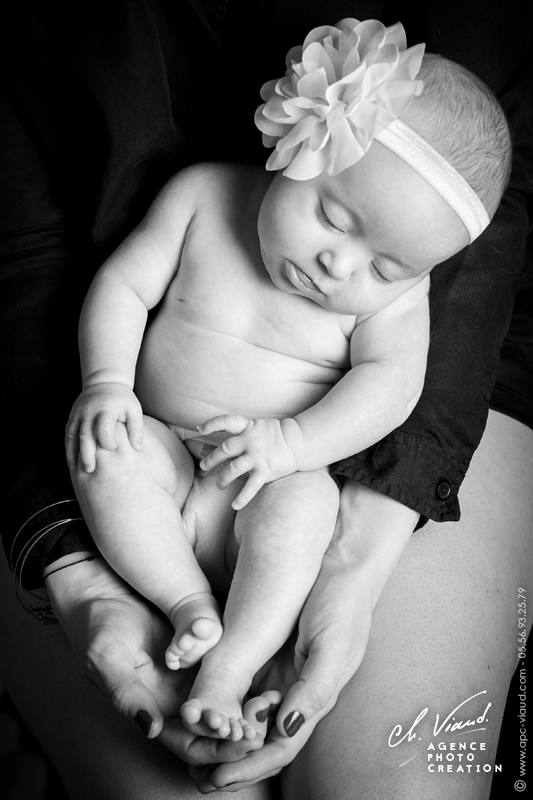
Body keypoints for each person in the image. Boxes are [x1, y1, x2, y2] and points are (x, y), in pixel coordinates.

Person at [0, 2, 531, 799]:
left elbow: (389, 388)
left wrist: (292, 446)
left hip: (272, 473)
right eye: (331, 215)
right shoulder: (204, 198)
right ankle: (182, 603)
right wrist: (108, 385)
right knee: (109, 452)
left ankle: (232, 663)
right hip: (168, 451)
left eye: (385, 268)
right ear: (295, 144)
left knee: (303, 506)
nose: (337, 265)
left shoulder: (393, 302)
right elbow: (122, 285)